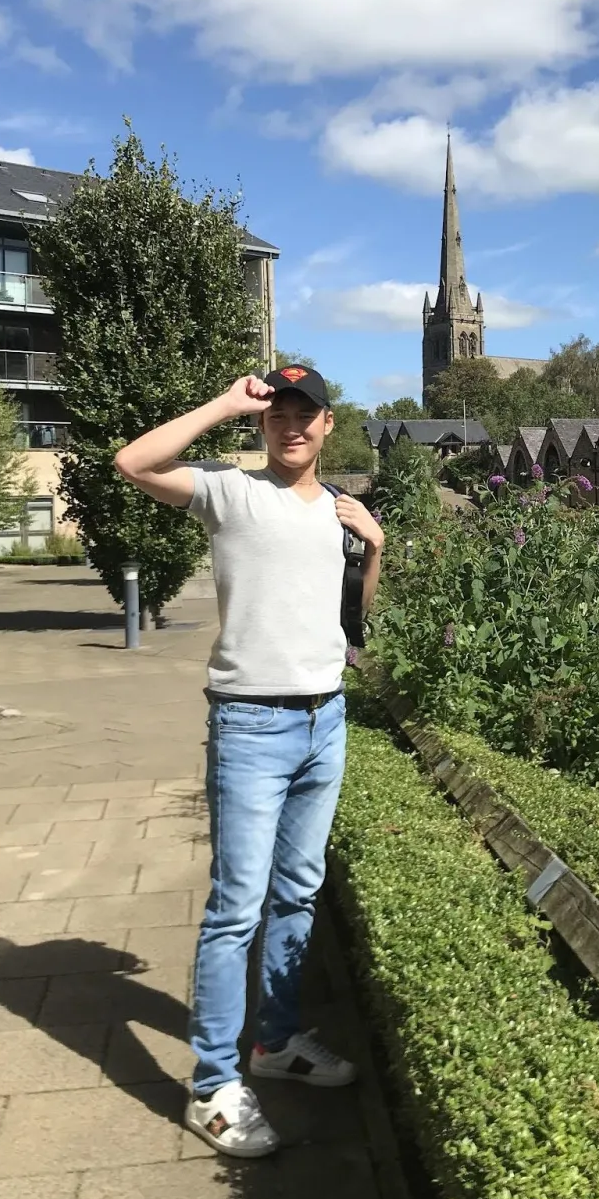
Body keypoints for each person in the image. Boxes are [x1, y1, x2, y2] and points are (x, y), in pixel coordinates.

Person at [113, 365, 384, 1157]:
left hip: (324, 720)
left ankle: (276, 1043)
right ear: (264, 425)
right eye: (279, 413)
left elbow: (352, 627)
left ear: (330, 424)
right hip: (251, 726)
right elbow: (132, 463)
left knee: (298, 895)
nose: (292, 425)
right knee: (236, 909)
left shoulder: (340, 512)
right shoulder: (229, 491)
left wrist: (374, 550)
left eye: (307, 413)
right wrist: (227, 403)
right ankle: (212, 1088)